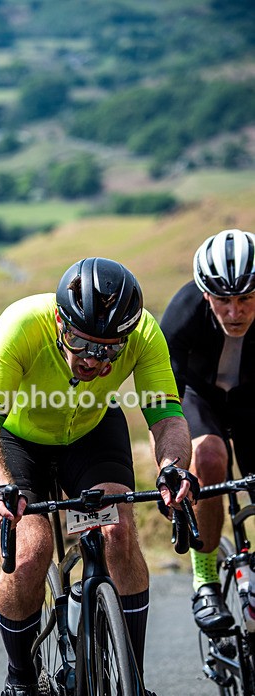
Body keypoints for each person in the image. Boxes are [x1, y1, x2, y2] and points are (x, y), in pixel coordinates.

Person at [0, 256, 198, 696]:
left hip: (89, 435)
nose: (93, 360)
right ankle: (22, 685)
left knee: (118, 530)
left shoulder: (144, 335)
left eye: (108, 349)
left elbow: (168, 417)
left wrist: (174, 467)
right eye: (82, 343)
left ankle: (130, 683)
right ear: (59, 322)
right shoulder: (21, 325)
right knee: (32, 550)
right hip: (15, 442)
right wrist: (3, 487)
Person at [161, 228, 255, 635]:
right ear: (204, 294)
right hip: (202, 400)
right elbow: (165, 405)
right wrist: (171, 469)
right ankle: (206, 581)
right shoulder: (182, 313)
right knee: (210, 458)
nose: (234, 312)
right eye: (223, 300)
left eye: (246, 299)